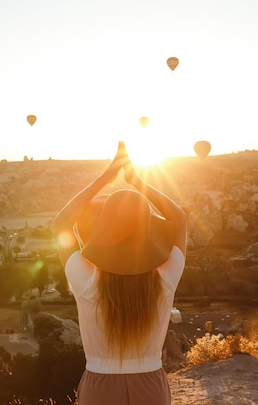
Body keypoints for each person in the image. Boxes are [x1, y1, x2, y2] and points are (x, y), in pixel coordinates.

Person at [54, 141, 187, 405]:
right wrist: (137, 182)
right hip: (151, 384)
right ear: (148, 231)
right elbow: (180, 219)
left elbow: (62, 223)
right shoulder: (165, 280)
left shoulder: (87, 282)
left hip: (99, 385)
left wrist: (105, 178)